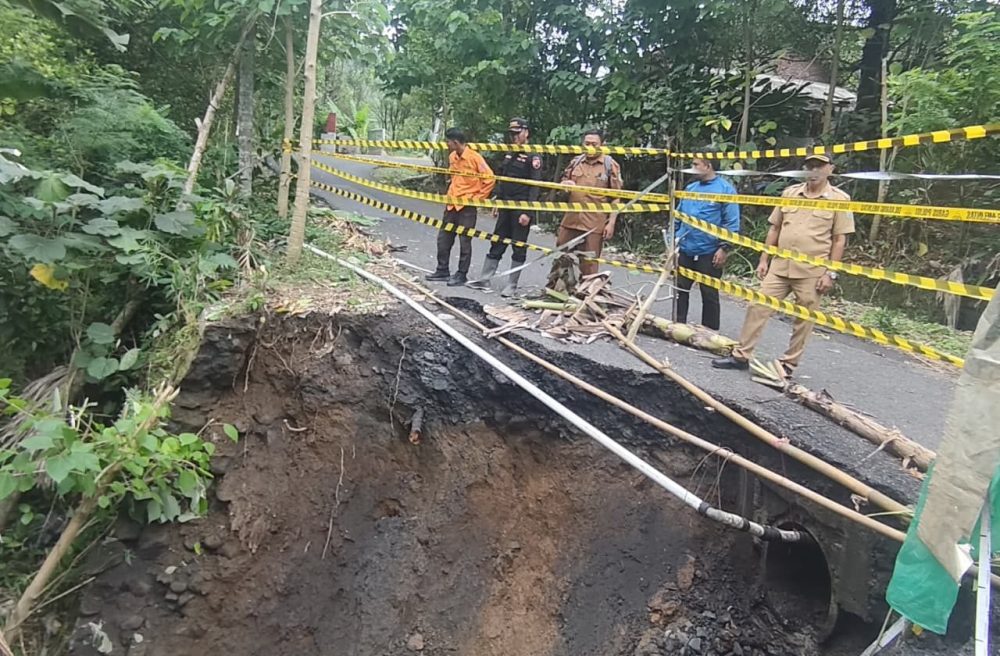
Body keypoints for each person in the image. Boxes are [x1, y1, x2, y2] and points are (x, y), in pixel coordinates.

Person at [713, 154, 854, 376]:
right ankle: (741, 356)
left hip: (811, 271)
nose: (814, 170)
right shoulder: (790, 193)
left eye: (819, 166)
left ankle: (788, 364)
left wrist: (831, 273)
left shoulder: (839, 199)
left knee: (804, 318)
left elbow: (839, 239)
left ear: (830, 169)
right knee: (757, 306)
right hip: (780, 266)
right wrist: (764, 259)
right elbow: (775, 229)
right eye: (810, 166)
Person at [467, 117, 544, 296]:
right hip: (506, 204)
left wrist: (528, 211)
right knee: (498, 241)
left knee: (518, 245)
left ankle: (512, 285)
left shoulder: (534, 155)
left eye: (517, 134)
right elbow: (504, 177)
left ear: (526, 133)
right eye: (511, 134)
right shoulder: (509, 152)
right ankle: (484, 279)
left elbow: (535, 186)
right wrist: (498, 200)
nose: (514, 137)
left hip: (521, 207)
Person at [673, 157, 740, 330]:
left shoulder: (725, 190)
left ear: (708, 166)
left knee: (709, 292)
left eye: (696, 164)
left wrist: (724, 248)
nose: (692, 168)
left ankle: (709, 332)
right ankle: (677, 325)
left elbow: (732, 223)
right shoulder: (690, 188)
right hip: (685, 248)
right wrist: (673, 242)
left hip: (709, 250)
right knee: (680, 289)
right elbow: (678, 216)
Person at [425, 128, 496, 286]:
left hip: (467, 207)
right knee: (443, 239)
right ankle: (442, 270)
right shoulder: (452, 157)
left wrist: (477, 198)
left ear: (456, 142)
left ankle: (461, 274)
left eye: (448, 142)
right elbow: (453, 177)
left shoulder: (474, 158)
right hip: (451, 205)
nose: (447, 145)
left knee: (465, 241)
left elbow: (490, 179)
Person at [555, 129, 623, 279]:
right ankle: (561, 291)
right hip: (571, 220)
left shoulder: (610, 165)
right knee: (561, 255)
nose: (590, 147)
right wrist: (565, 185)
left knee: (589, 264)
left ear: (603, 145)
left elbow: (617, 197)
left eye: (594, 144)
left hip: (594, 223)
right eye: (587, 144)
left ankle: (586, 296)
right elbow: (562, 187)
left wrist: (611, 223)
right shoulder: (575, 162)